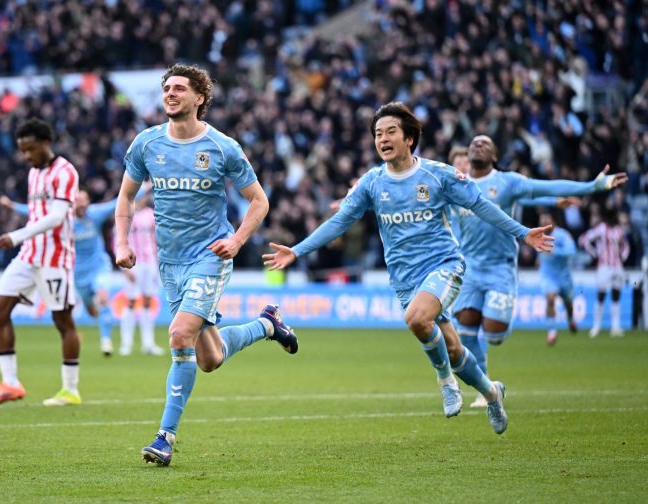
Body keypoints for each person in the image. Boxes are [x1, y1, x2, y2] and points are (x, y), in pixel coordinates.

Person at [265, 102, 555, 436]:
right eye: (377, 133)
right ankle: (492, 393)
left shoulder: (437, 175)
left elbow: (480, 205)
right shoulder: (372, 182)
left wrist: (523, 232)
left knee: (417, 319)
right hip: (404, 280)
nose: (383, 139)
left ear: (409, 139)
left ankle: (445, 381)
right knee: (454, 346)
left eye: (390, 132)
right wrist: (298, 250)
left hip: (444, 266)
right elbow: (341, 221)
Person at [115, 63, 299, 466]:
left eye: (180, 88)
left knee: (180, 335)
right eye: (166, 88)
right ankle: (268, 324)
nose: (170, 93)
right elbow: (126, 197)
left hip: (209, 258)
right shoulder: (146, 144)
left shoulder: (222, 147)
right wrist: (122, 241)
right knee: (209, 358)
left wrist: (236, 240)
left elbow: (259, 201)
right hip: (170, 263)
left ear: (200, 98)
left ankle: (164, 437)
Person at [452, 135, 627, 407]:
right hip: (470, 269)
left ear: (495, 156)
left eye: (485, 143)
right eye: (474, 142)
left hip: (500, 268)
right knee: (464, 330)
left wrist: (592, 186)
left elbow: (549, 186)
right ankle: (486, 388)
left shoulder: (507, 182)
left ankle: (500, 326)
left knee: (494, 334)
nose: (477, 145)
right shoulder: (457, 185)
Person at [0, 118, 82, 407]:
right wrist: (23, 238)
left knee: (62, 321)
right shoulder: (33, 174)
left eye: (31, 149)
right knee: (0, 311)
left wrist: (16, 235)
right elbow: (38, 214)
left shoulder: (65, 171)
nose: (27, 155)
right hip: (29, 254)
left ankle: (70, 389)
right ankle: (10, 383)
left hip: (55, 257)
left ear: (45, 143)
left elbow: (57, 216)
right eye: (23, 150)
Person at [0, 186, 147, 357]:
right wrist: (11, 206)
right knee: (92, 310)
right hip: (77, 272)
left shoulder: (95, 214)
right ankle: (91, 306)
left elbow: (119, 201)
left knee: (103, 296)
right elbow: (37, 215)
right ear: (72, 204)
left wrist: (145, 189)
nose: (81, 205)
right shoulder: (64, 218)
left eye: (84, 201)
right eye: (78, 201)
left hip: (99, 266)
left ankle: (106, 342)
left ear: (88, 203)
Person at [119, 191, 164, 356]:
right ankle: (126, 344)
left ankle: (148, 344)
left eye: (145, 196)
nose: (145, 199)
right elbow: (116, 242)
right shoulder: (124, 216)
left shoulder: (151, 215)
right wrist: (123, 268)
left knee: (147, 301)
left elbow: (158, 240)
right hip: (132, 264)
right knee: (131, 301)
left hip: (149, 263)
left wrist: (157, 264)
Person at [579, 206, 630, 337]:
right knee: (601, 295)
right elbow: (584, 239)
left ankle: (616, 327)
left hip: (617, 266)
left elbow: (625, 246)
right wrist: (595, 253)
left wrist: (622, 257)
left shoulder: (619, 230)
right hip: (604, 267)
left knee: (616, 295)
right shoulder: (601, 229)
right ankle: (596, 326)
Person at [537, 210, 578, 346]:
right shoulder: (537, 235)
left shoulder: (562, 235)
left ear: (553, 222)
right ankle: (552, 332)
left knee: (568, 303)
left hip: (563, 276)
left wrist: (554, 250)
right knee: (550, 298)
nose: (544, 224)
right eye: (542, 222)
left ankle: (571, 319)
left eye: (546, 221)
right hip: (548, 276)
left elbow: (571, 251)